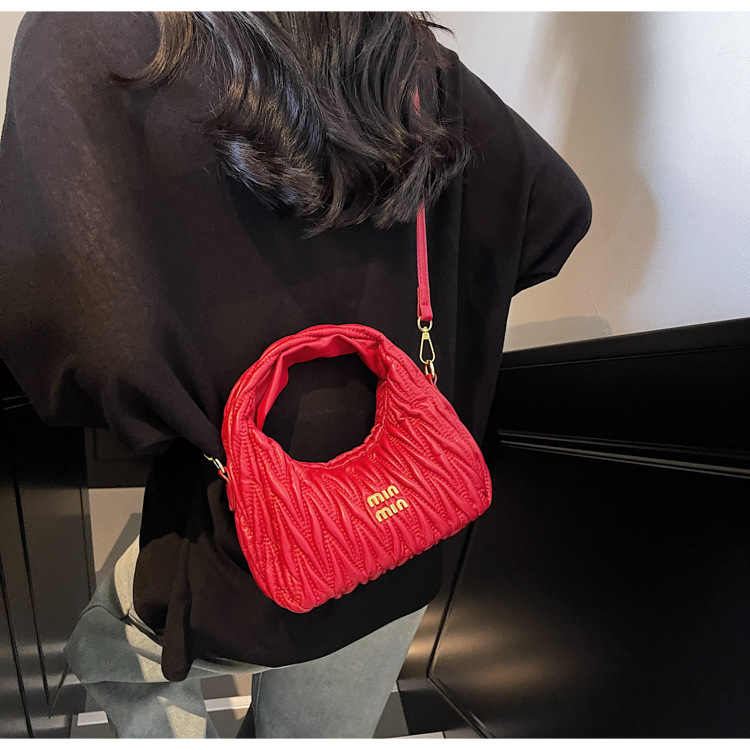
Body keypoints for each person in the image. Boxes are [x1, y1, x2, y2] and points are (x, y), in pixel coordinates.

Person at [0, 11, 592, 739]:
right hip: (405, 525)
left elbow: (82, 348)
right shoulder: (410, 58)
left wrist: (189, 411)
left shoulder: (97, 38)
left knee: (109, 651)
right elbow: (558, 215)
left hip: (238, 545)